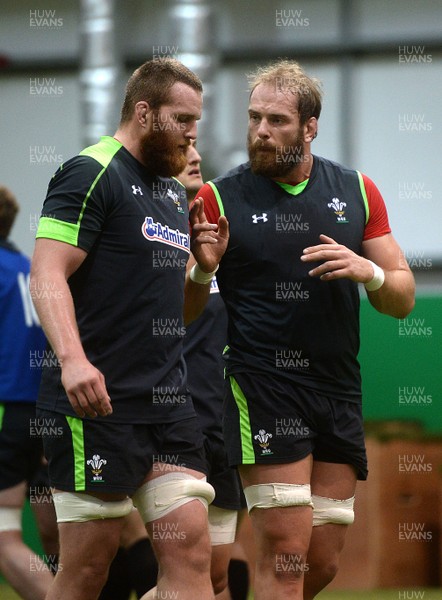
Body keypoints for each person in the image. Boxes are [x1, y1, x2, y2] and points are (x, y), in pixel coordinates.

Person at [188, 59, 415, 599]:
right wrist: (203, 268)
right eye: (254, 118)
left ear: (310, 126)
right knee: (286, 557)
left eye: (277, 121)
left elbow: (402, 299)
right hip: (264, 386)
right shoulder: (217, 199)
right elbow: (183, 312)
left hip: (338, 389)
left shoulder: (358, 191)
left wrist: (371, 271)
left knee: (321, 564)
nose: (261, 131)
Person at [30, 58, 228, 600]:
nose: (193, 134)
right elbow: (46, 272)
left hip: (167, 406)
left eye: (197, 121)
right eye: (182, 119)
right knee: (88, 573)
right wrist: (72, 359)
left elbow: (181, 313)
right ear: (144, 112)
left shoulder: (170, 192)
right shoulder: (91, 171)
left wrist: (203, 269)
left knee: (191, 554)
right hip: (96, 406)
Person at [140, 141, 249, 600]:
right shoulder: (141, 240)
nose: (196, 155)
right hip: (165, 421)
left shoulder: (226, 239)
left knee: (215, 578)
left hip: (222, 424)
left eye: (196, 145)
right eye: (181, 146)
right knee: (185, 571)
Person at [0, 185, 57, 600]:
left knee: (2, 537)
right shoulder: (25, 267)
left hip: (8, 409)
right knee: (53, 538)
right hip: (44, 413)